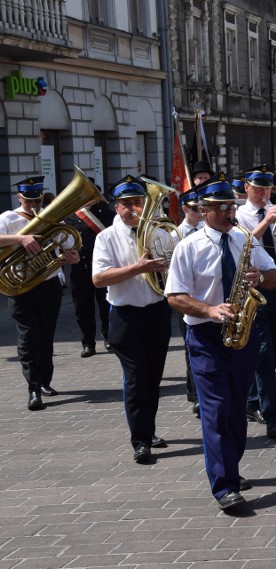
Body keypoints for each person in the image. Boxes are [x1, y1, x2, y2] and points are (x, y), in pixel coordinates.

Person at [165, 173, 276, 510]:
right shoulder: (189, 247)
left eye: (232, 205)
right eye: (223, 207)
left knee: (236, 410)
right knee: (215, 410)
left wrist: (261, 276)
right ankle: (224, 485)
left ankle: (230, 464)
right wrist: (209, 309)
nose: (231, 211)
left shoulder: (245, 240)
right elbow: (174, 296)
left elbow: (275, 277)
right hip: (205, 335)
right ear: (205, 211)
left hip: (243, 331)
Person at [92, 176, 172, 463]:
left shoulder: (158, 232)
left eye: (138, 202)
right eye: (128, 204)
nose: (134, 209)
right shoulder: (106, 238)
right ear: (117, 207)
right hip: (126, 316)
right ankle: (140, 440)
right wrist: (138, 268)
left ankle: (148, 431)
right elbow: (99, 279)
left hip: (157, 312)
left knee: (153, 377)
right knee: (137, 378)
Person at [0, 176, 80, 411]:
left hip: (49, 283)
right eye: (29, 202)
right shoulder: (8, 217)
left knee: (46, 334)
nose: (34, 206)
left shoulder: (54, 217)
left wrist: (70, 257)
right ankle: (33, 387)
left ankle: (45, 380)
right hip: (20, 285)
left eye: (38, 201)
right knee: (28, 336)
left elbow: (68, 247)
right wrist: (20, 238)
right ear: (19, 198)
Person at [236, 164, 276, 439]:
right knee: (264, 351)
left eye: (267, 189)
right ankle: (272, 416)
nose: (263, 193)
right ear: (247, 188)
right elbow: (243, 244)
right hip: (253, 286)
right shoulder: (238, 215)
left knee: (273, 351)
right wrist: (266, 222)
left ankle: (253, 399)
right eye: (258, 189)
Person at [64, 182, 114, 357]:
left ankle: (108, 338)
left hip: (103, 267)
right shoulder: (70, 217)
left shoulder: (108, 215)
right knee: (82, 308)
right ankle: (88, 343)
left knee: (106, 304)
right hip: (81, 268)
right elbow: (64, 240)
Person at [177, 189, 205, 417]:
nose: (201, 213)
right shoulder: (174, 234)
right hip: (185, 296)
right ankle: (196, 395)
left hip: (208, 296)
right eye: (196, 209)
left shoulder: (209, 231)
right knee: (190, 347)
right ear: (185, 209)